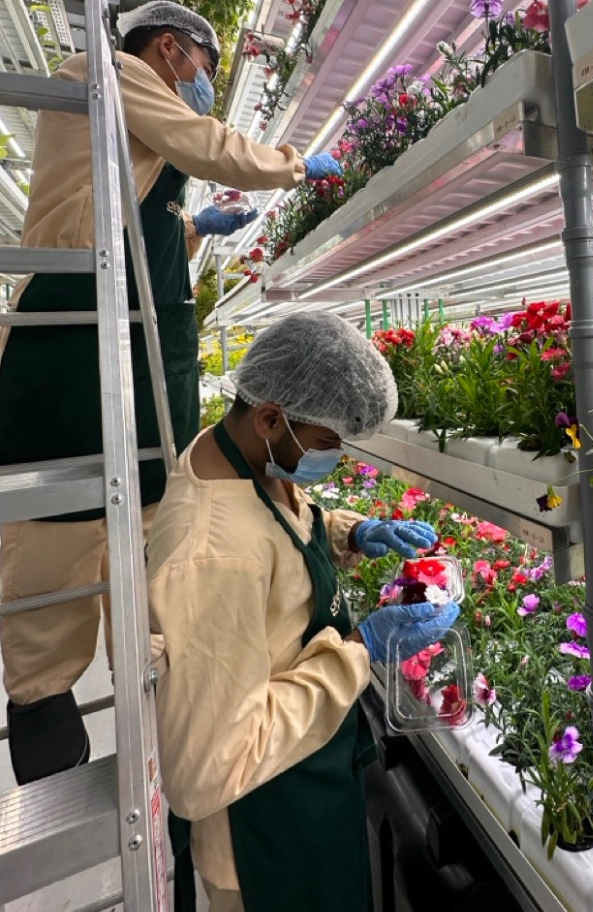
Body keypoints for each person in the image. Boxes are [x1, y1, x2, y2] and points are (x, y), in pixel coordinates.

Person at [0, 0, 343, 785]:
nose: (202, 90)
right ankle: (49, 735)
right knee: (56, 541)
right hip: (73, 334)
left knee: (142, 541)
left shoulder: (128, 120)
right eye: (202, 72)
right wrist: (295, 162)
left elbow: (135, 221)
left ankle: (150, 710)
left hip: (132, 353)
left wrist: (196, 230)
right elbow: (210, 146)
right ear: (168, 48)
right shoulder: (109, 73)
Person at [145, 312, 457, 912]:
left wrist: (351, 531)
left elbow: (279, 527)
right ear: (271, 417)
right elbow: (209, 765)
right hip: (262, 833)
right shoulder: (214, 555)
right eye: (327, 444)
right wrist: (360, 650)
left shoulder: (236, 452)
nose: (334, 460)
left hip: (306, 777)